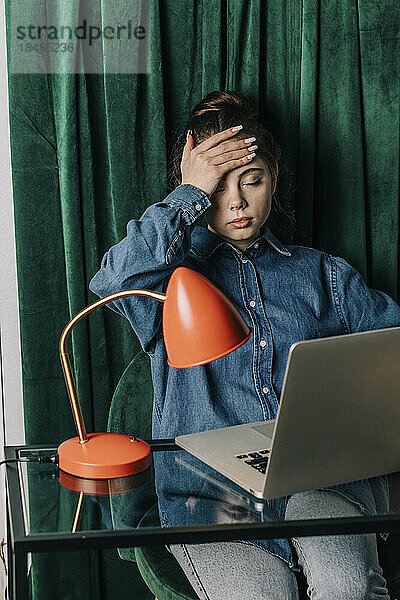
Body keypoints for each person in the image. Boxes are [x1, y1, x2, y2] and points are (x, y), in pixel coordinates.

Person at [89, 90, 399, 599]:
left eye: (251, 181)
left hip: (322, 481)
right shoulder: (168, 281)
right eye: (218, 189)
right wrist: (190, 193)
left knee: (348, 588)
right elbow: (113, 281)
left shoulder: (323, 275)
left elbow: (393, 358)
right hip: (210, 494)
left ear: (274, 179)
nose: (234, 202)